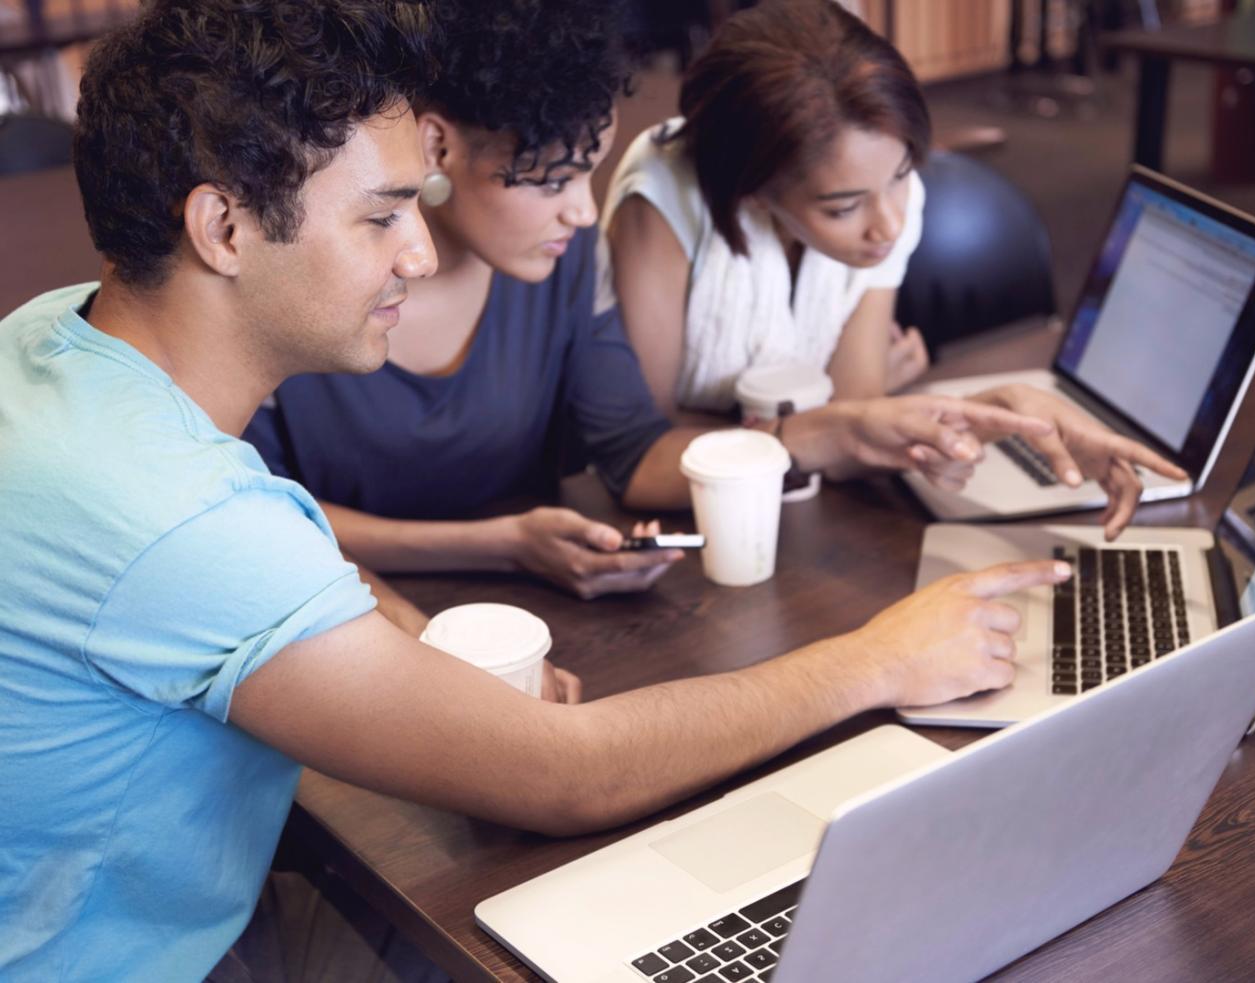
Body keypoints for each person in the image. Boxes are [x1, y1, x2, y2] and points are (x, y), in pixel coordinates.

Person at [0, 1, 1070, 977]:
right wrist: (878, 657)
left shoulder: (55, 336)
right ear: (223, 229)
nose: (419, 252)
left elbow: (276, 550)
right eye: (380, 216)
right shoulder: (188, 523)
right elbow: (565, 774)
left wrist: (415, 639)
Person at [243, 0, 1068, 614]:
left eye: (587, 174)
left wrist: (849, 428)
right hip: (333, 617)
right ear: (436, 148)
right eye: (554, 179)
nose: (583, 210)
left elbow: (635, 452)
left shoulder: (556, 267)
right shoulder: (302, 281)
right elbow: (252, 514)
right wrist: (494, 543)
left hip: (532, 612)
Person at [605, 0, 1187, 536]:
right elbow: (645, 444)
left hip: (795, 508)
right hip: (695, 523)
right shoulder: (663, 200)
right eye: (843, 207)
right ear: (752, 191)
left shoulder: (886, 204)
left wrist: (997, 413)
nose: (889, 225)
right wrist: (849, 416)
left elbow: (855, 408)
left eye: (904, 174)